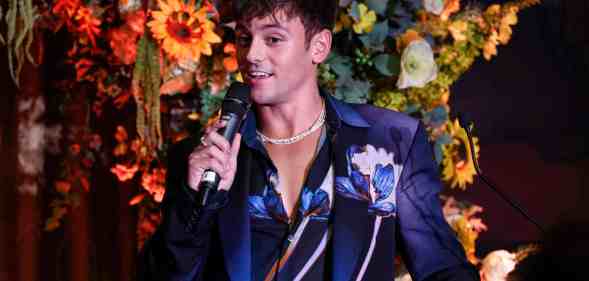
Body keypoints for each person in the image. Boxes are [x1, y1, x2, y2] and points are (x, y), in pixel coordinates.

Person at [138, 1, 479, 280]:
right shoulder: (205, 157)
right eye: (244, 39)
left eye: (273, 39)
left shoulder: (392, 141)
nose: (251, 55)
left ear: (319, 46)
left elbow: (442, 268)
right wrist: (195, 199)